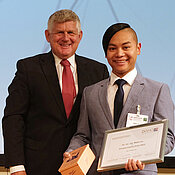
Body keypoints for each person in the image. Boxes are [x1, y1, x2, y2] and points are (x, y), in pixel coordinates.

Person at [2, 9, 109, 175]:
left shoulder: (98, 71)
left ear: (80, 36)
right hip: (37, 167)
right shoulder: (28, 68)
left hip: (84, 168)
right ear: (47, 35)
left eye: (71, 32)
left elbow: (105, 122)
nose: (65, 38)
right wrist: (16, 166)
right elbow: (13, 117)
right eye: (59, 32)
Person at [64, 23, 175, 175]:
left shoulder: (157, 90)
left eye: (126, 47)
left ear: (138, 48)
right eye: (112, 48)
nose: (119, 53)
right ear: (106, 53)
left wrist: (144, 156)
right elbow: (83, 136)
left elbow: (168, 138)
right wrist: (71, 152)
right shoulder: (91, 93)